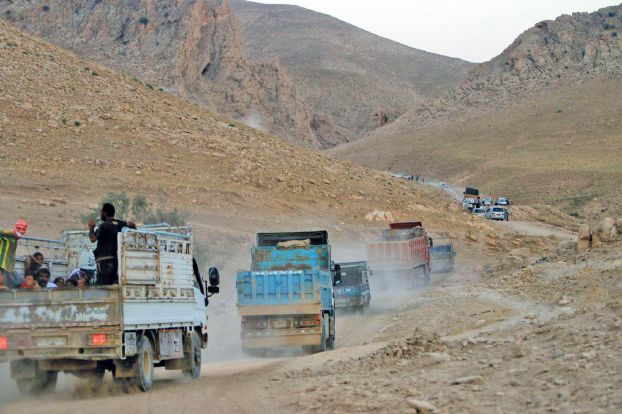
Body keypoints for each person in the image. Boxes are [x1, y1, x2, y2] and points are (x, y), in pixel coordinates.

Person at [88, 203, 136, 285]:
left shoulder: (103, 226)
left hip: (104, 261)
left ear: (105, 213)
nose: (100, 214)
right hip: (117, 260)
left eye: (101, 211)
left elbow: (93, 239)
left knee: (102, 286)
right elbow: (132, 225)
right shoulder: (121, 224)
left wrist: (91, 227)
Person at [1, 219, 28, 288]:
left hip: (9, 268)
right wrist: (10, 232)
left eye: (23, 229)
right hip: (3, 267)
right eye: (18, 228)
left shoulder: (15, 238)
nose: (21, 231)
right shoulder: (8, 234)